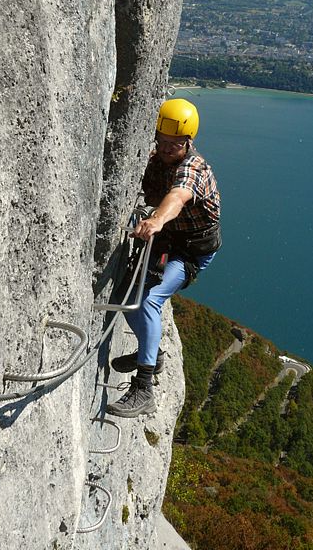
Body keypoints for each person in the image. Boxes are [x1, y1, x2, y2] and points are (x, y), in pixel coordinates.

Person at [107, 98, 221, 418]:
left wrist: (156, 220)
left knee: (148, 301)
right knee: (126, 295)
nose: (168, 148)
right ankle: (152, 354)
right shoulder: (157, 159)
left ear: (189, 141)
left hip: (191, 253)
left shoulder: (195, 169)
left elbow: (178, 195)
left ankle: (144, 388)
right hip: (167, 241)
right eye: (163, 141)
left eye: (176, 143)